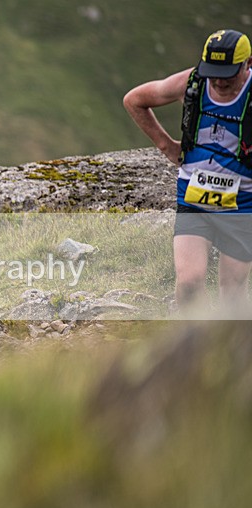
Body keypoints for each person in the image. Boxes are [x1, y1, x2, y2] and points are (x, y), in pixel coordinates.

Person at [123, 29, 252, 309]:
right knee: (190, 282)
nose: (217, 80)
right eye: (212, 71)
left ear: (247, 65)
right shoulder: (192, 82)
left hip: (243, 204)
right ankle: (189, 346)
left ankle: (230, 349)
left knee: (232, 292)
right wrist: (165, 145)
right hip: (194, 197)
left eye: (227, 74)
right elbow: (134, 100)